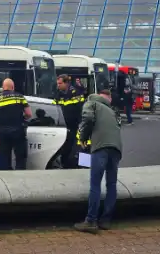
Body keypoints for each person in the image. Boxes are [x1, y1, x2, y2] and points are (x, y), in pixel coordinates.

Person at [74, 88, 122, 234]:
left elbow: (87, 119)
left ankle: (90, 220)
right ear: (109, 99)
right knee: (111, 184)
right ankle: (106, 220)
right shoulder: (113, 111)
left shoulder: (91, 103)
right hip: (116, 149)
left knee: (95, 184)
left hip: (100, 147)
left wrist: (83, 138)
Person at [0, 78, 32, 170]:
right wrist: (22, 119)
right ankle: (20, 175)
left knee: (4, 158)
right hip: (18, 131)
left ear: (3, 87)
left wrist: (0, 121)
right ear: (13, 87)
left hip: (3, 132)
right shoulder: (19, 97)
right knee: (20, 158)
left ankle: (7, 177)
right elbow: (29, 114)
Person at [52, 74, 84, 169]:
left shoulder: (76, 93)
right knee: (63, 148)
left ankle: (74, 166)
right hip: (62, 126)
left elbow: (80, 110)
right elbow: (54, 108)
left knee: (73, 148)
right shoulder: (58, 94)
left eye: (60, 83)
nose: (58, 85)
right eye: (57, 83)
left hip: (74, 126)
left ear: (66, 83)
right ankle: (65, 165)